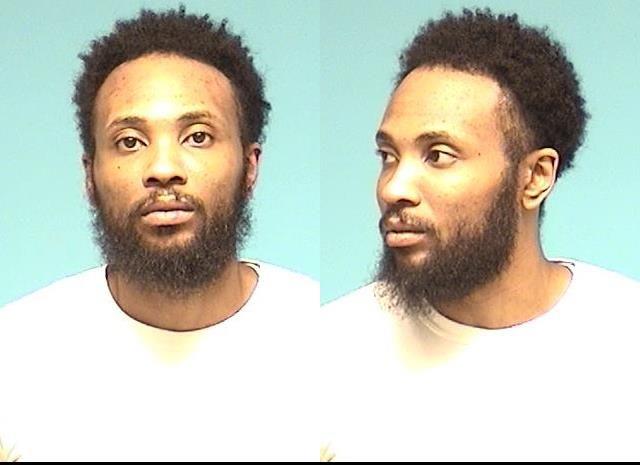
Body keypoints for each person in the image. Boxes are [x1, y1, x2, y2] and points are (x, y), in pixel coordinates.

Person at [321, 8, 640, 461]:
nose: (393, 188)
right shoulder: (324, 356)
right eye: (388, 156)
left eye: (438, 155)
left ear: (535, 177)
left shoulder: (627, 338)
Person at [0, 7, 317, 461]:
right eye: (130, 141)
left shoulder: (327, 341)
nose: (163, 168)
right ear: (90, 175)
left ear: (250, 166)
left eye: (198, 137)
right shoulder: (13, 355)